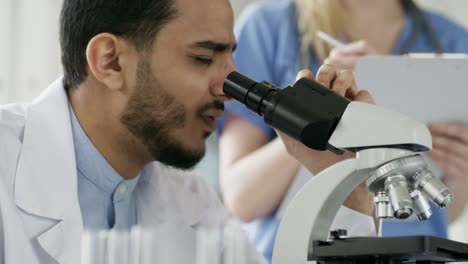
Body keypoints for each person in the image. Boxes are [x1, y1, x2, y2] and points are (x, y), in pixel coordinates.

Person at [0, 0, 379, 263]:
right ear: (110, 61)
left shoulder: (191, 203)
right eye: (202, 58)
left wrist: (343, 181)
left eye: (231, 59)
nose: (226, 90)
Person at [219, 0, 468, 261]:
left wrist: (459, 168)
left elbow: (441, 212)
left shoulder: (451, 40)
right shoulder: (268, 27)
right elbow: (241, 199)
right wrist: (311, 116)